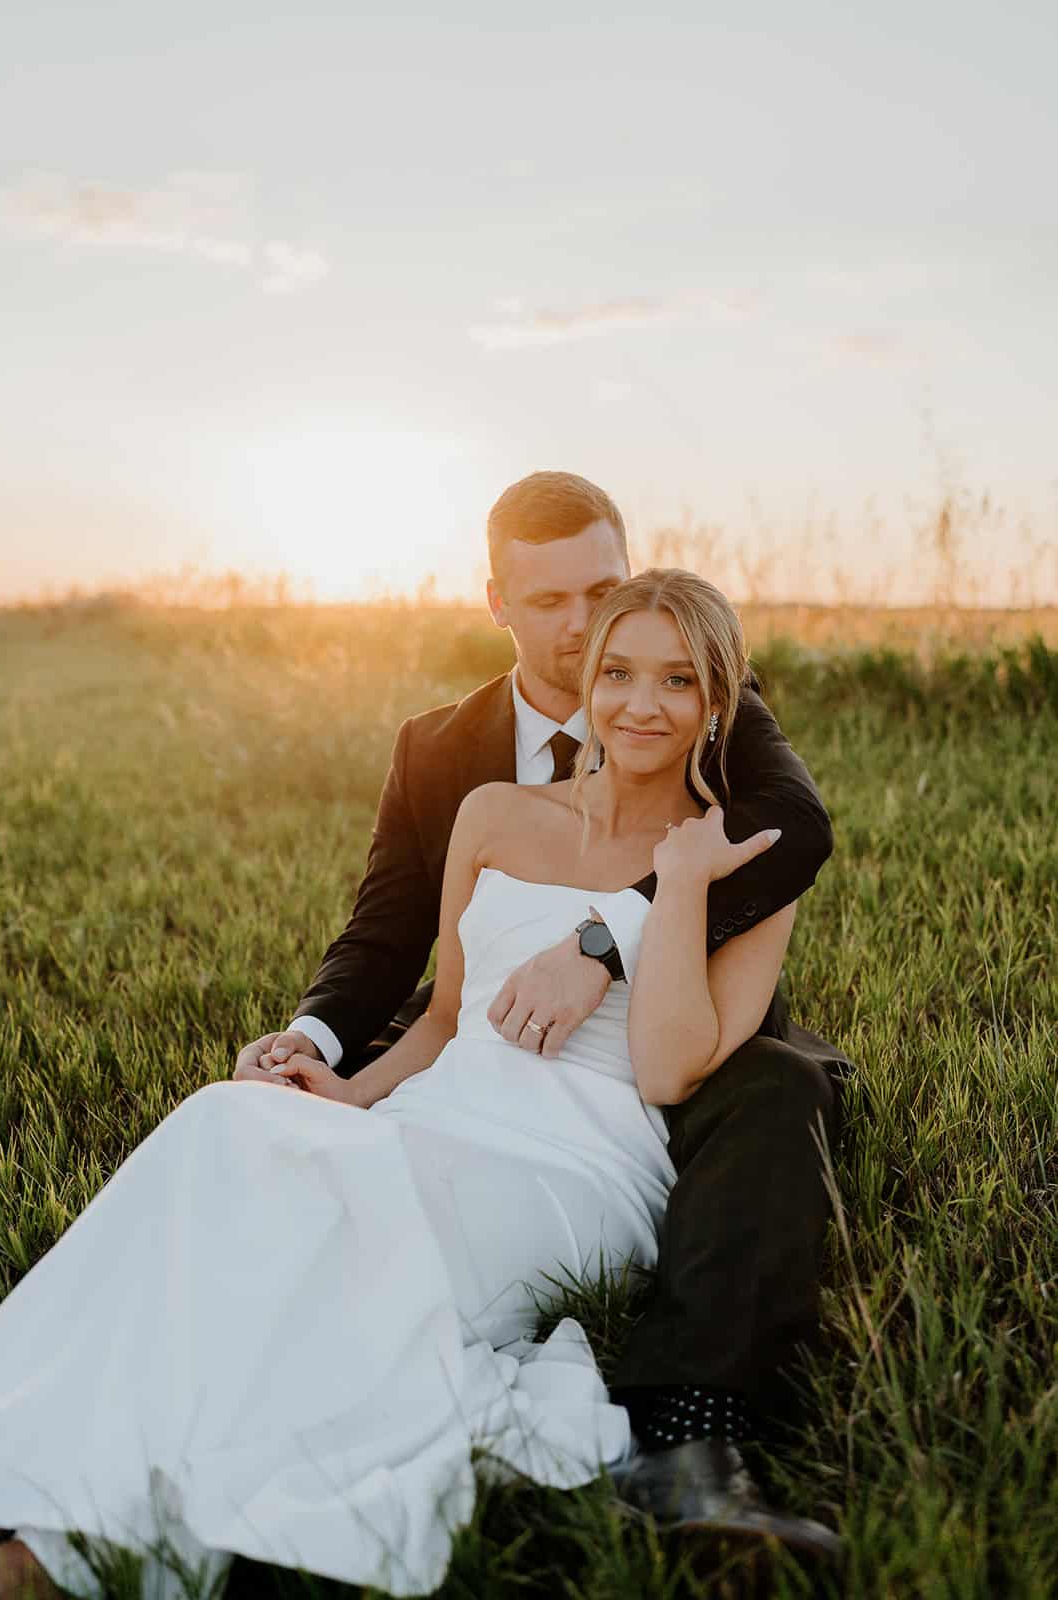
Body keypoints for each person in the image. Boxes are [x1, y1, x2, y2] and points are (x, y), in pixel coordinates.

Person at [0, 568, 842, 1599]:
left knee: (336, 1254)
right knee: (228, 1129)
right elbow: (443, 1015)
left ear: (720, 701)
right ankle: (30, 1440)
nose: (638, 704)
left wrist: (678, 885)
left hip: (572, 1164)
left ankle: (69, 1554)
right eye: (616, 672)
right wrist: (349, 1093)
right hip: (432, 1115)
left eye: (675, 681)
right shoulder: (491, 812)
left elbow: (667, 1067)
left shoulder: (737, 861)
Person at [237, 472, 852, 1530]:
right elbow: (390, 936)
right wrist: (316, 1048)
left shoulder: (707, 698)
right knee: (273, 1163)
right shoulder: (444, 756)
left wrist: (606, 938)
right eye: (550, 605)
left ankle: (691, 1431)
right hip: (486, 1026)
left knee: (780, 1092)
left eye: (598, 592)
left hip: (686, 1021)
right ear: (496, 606)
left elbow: (791, 827)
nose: (579, 633)